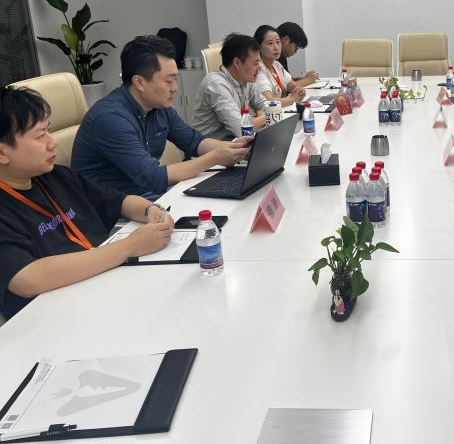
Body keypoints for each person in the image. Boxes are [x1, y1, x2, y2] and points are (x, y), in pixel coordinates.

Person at [0, 87, 175, 319]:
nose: (53, 143)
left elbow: (120, 201)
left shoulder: (55, 176)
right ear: (2, 153)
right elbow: (27, 278)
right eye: (40, 136)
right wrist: (129, 247)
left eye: (49, 131)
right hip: (54, 316)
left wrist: (151, 210)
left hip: (104, 287)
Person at [72, 35, 252, 200]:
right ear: (139, 82)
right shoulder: (110, 119)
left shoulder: (159, 106)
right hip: (115, 209)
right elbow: (153, 177)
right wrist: (215, 157)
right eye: (168, 81)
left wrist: (237, 148)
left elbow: (194, 142)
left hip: (148, 196)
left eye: (175, 79)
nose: (175, 88)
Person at [193, 33, 267, 140]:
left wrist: (263, 116)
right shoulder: (216, 84)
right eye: (255, 64)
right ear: (237, 63)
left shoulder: (246, 80)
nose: (259, 69)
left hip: (233, 141)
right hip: (212, 145)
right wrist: (264, 117)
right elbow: (241, 130)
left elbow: (268, 107)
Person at [254, 25, 309, 106]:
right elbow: (268, 101)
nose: (276, 48)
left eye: (278, 42)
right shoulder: (257, 68)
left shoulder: (277, 65)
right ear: (259, 46)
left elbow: (294, 87)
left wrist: (300, 91)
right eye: (270, 43)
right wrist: (292, 99)